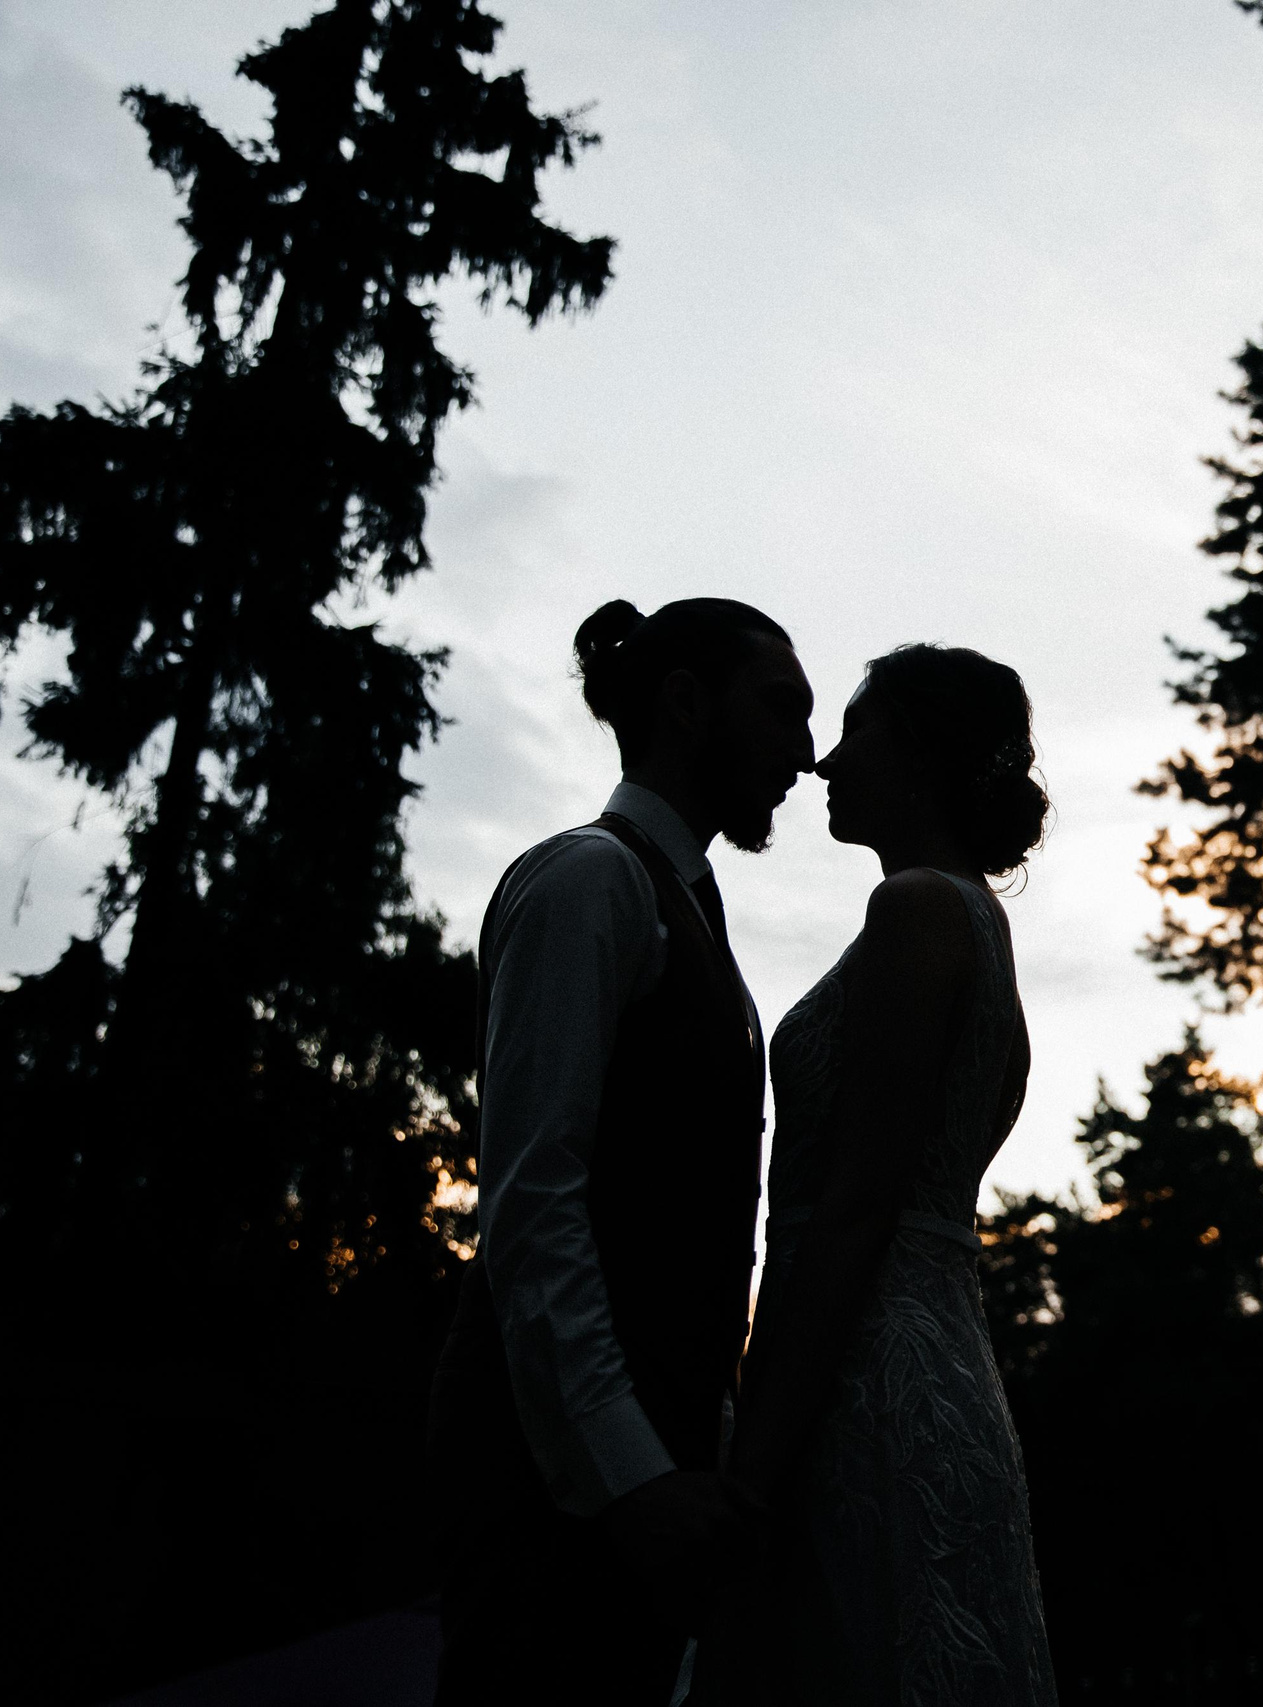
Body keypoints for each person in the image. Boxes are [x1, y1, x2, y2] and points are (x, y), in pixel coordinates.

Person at [429, 597, 817, 1706]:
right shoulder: (590, 881)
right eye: (780, 710)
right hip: (550, 1488)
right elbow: (531, 1199)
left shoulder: (688, 907)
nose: (806, 749)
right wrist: (630, 1475)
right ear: (688, 705)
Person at [699, 644, 1056, 1706]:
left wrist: (749, 1471)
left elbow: (853, 1213)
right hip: (943, 1360)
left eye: (855, 733)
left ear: (916, 751)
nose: (823, 764)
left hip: (864, 1382)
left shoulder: (917, 915)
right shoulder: (978, 925)